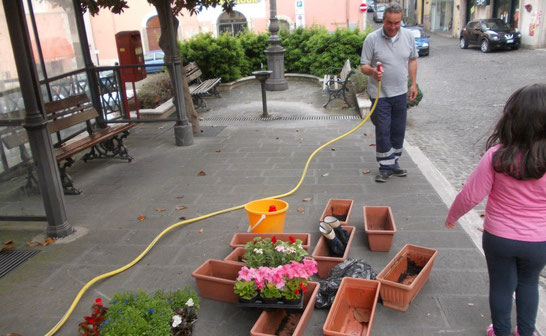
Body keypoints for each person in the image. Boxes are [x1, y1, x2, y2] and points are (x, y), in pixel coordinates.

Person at [445, 84, 546, 336]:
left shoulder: (496, 156)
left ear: (512, 119)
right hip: (538, 241)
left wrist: (452, 216)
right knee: (528, 284)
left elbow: (470, 194)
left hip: (499, 237)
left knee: (501, 286)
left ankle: (500, 331)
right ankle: (525, 331)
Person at [360, 3, 418, 183]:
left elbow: (412, 60)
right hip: (380, 94)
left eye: (397, 23)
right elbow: (363, 66)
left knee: (398, 130)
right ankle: (385, 167)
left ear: (401, 21)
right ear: (382, 20)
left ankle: (393, 162)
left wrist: (414, 84)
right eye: (389, 23)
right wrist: (373, 72)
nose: (393, 27)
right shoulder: (372, 39)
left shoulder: (408, 37)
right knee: (383, 130)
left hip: (400, 92)